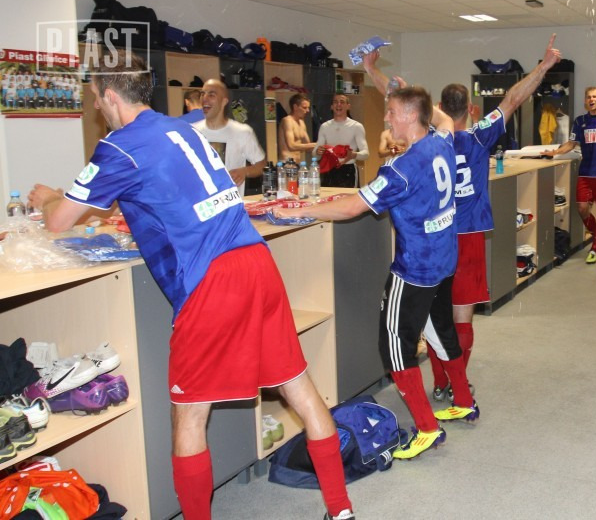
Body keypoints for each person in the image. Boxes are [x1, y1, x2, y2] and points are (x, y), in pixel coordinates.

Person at [27, 51, 354, 520]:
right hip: (256, 262)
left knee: (190, 412)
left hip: (210, 279)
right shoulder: (182, 128)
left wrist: (49, 198)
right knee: (299, 389)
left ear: (112, 95)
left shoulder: (118, 146)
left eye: (96, 96)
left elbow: (59, 221)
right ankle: (341, 510)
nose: (95, 106)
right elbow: (160, 191)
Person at [275, 86, 478, 460]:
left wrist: (297, 211)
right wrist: (400, 89)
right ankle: (464, 402)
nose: (386, 118)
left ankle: (427, 429)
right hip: (444, 259)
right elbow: (445, 119)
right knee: (441, 331)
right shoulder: (443, 141)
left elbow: (353, 207)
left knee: (394, 347)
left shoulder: (401, 169)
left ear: (410, 116)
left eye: (392, 111)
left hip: (414, 269)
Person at [365, 35, 561, 403]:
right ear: (470, 108)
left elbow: (399, 106)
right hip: (468, 234)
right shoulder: (478, 136)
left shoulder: (429, 138)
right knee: (460, 317)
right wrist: (545, 65)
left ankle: (440, 381)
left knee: (433, 315)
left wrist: (372, 69)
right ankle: (457, 383)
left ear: (437, 108)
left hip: (432, 238)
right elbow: (513, 98)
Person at [541, 87, 596, 264]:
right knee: (582, 208)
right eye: (588, 97)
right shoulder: (580, 121)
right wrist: (554, 152)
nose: (592, 99)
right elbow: (571, 143)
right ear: (585, 101)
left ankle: (595, 247)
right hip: (585, 172)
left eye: (595, 96)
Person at [192, 79, 266, 197]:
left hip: (231, 205)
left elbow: (261, 165)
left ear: (224, 102)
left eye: (211, 95)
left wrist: (245, 171)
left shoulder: (242, 132)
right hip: (201, 204)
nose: (204, 98)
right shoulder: (191, 131)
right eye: (202, 94)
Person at [313, 94, 369, 188]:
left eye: (342, 102)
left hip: (348, 170)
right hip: (329, 171)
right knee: (328, 196)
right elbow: (315, 154)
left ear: (348, 106)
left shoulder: (356, 126)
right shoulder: (325, 127)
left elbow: (366, 154)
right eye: (335, 102)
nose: (338, 105)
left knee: (348, 197)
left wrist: (353, 155)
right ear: (331, 106)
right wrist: (318, 152)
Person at [279, 93, 317, 161]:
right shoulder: (287, 121)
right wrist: (315, 144)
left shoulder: (302, 123)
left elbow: (308, 148)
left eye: (308, 108)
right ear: (295, 107)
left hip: (298, 163)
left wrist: (322, 147)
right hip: (286, 163)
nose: (308, 110)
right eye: (304, 108)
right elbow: (291, 146)